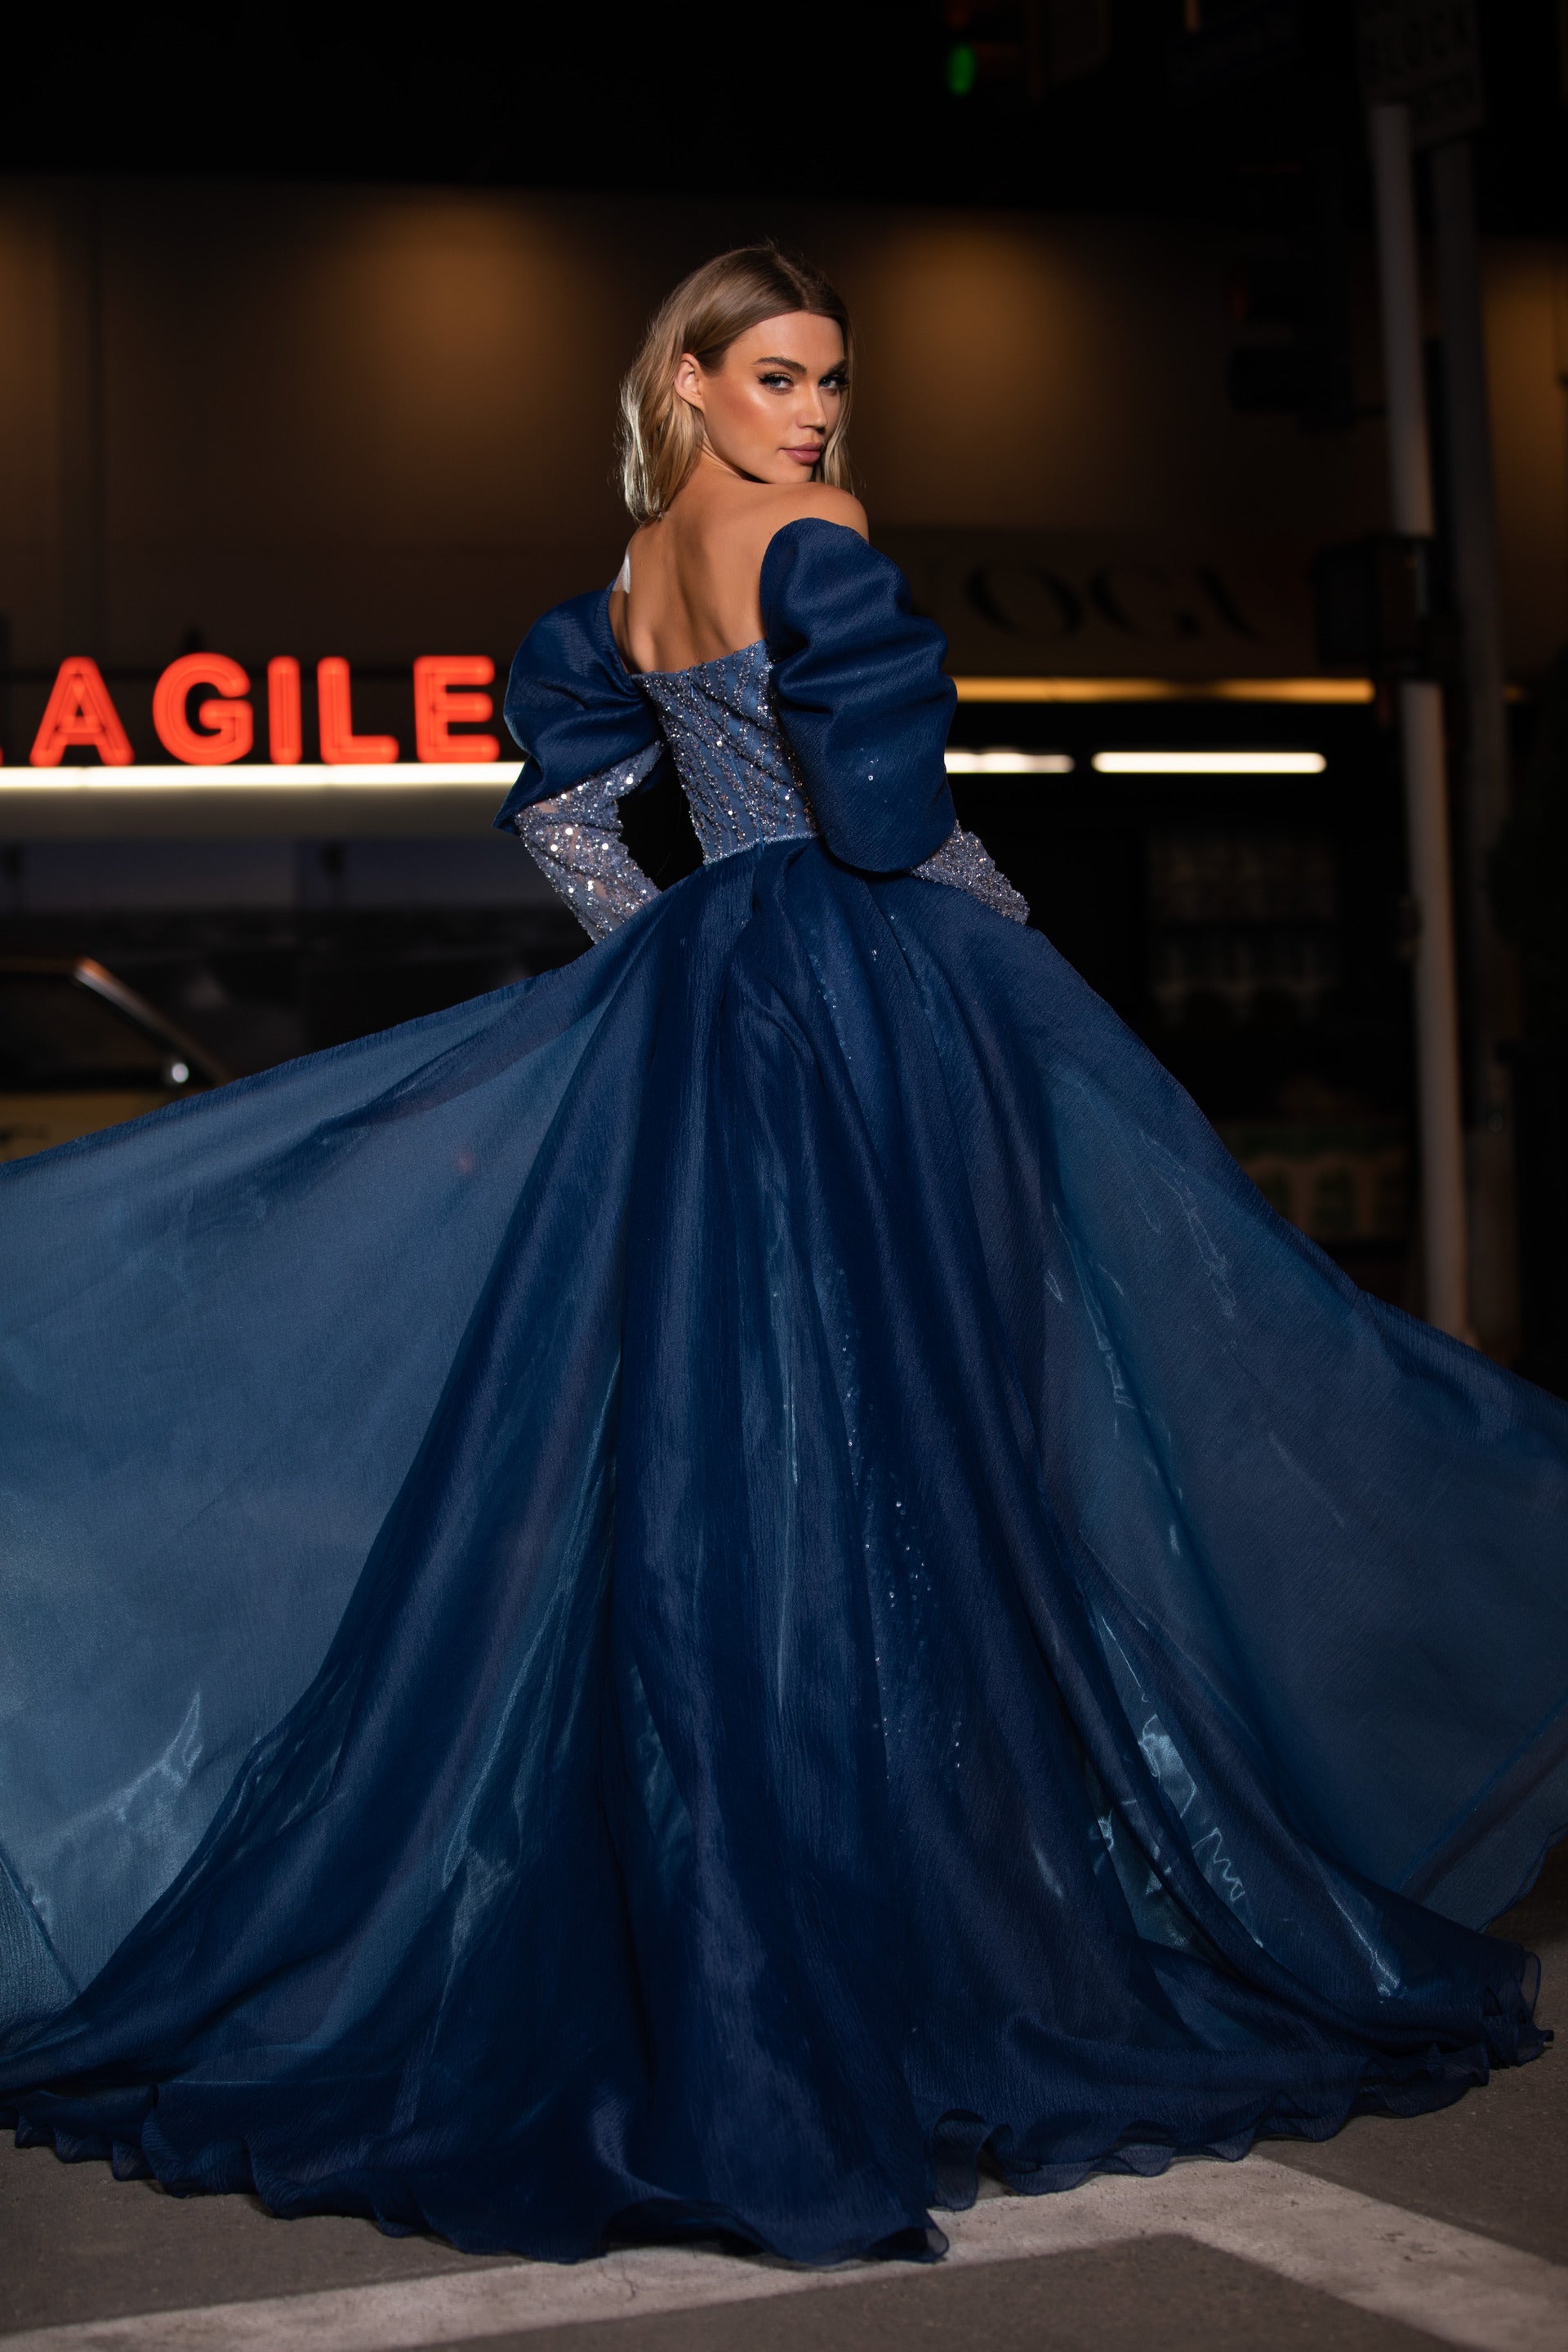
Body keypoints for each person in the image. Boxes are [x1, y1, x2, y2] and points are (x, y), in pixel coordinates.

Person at [1, 246, 1564, 2270]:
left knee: (720, 1490)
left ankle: (741, 1958)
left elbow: (573, 821)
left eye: (831, 380)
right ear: (694, 380)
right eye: (780, 374)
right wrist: (1033, 1004)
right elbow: (895, 820)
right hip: (863, 999)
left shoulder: (627, 584)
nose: (817, 414)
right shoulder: (815, 542)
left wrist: (677, 966)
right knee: (927, 1455)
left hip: (710, 1013)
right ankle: (927, 1949)